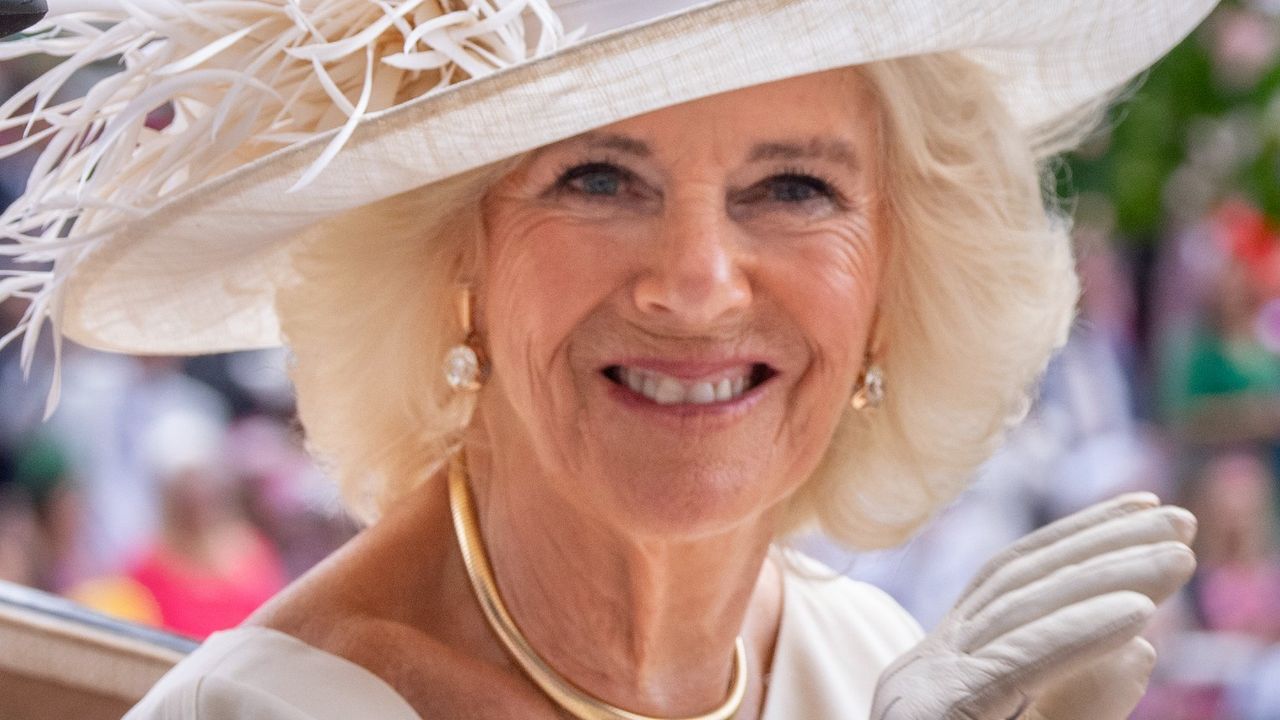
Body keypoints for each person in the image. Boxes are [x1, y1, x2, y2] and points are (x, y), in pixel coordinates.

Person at [0, 1, 1216, 718]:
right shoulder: (262, 716)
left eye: (792, 188)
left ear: (897, 278)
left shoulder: (874, 664)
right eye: (597, 179)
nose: (695, 282)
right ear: (452, 262)